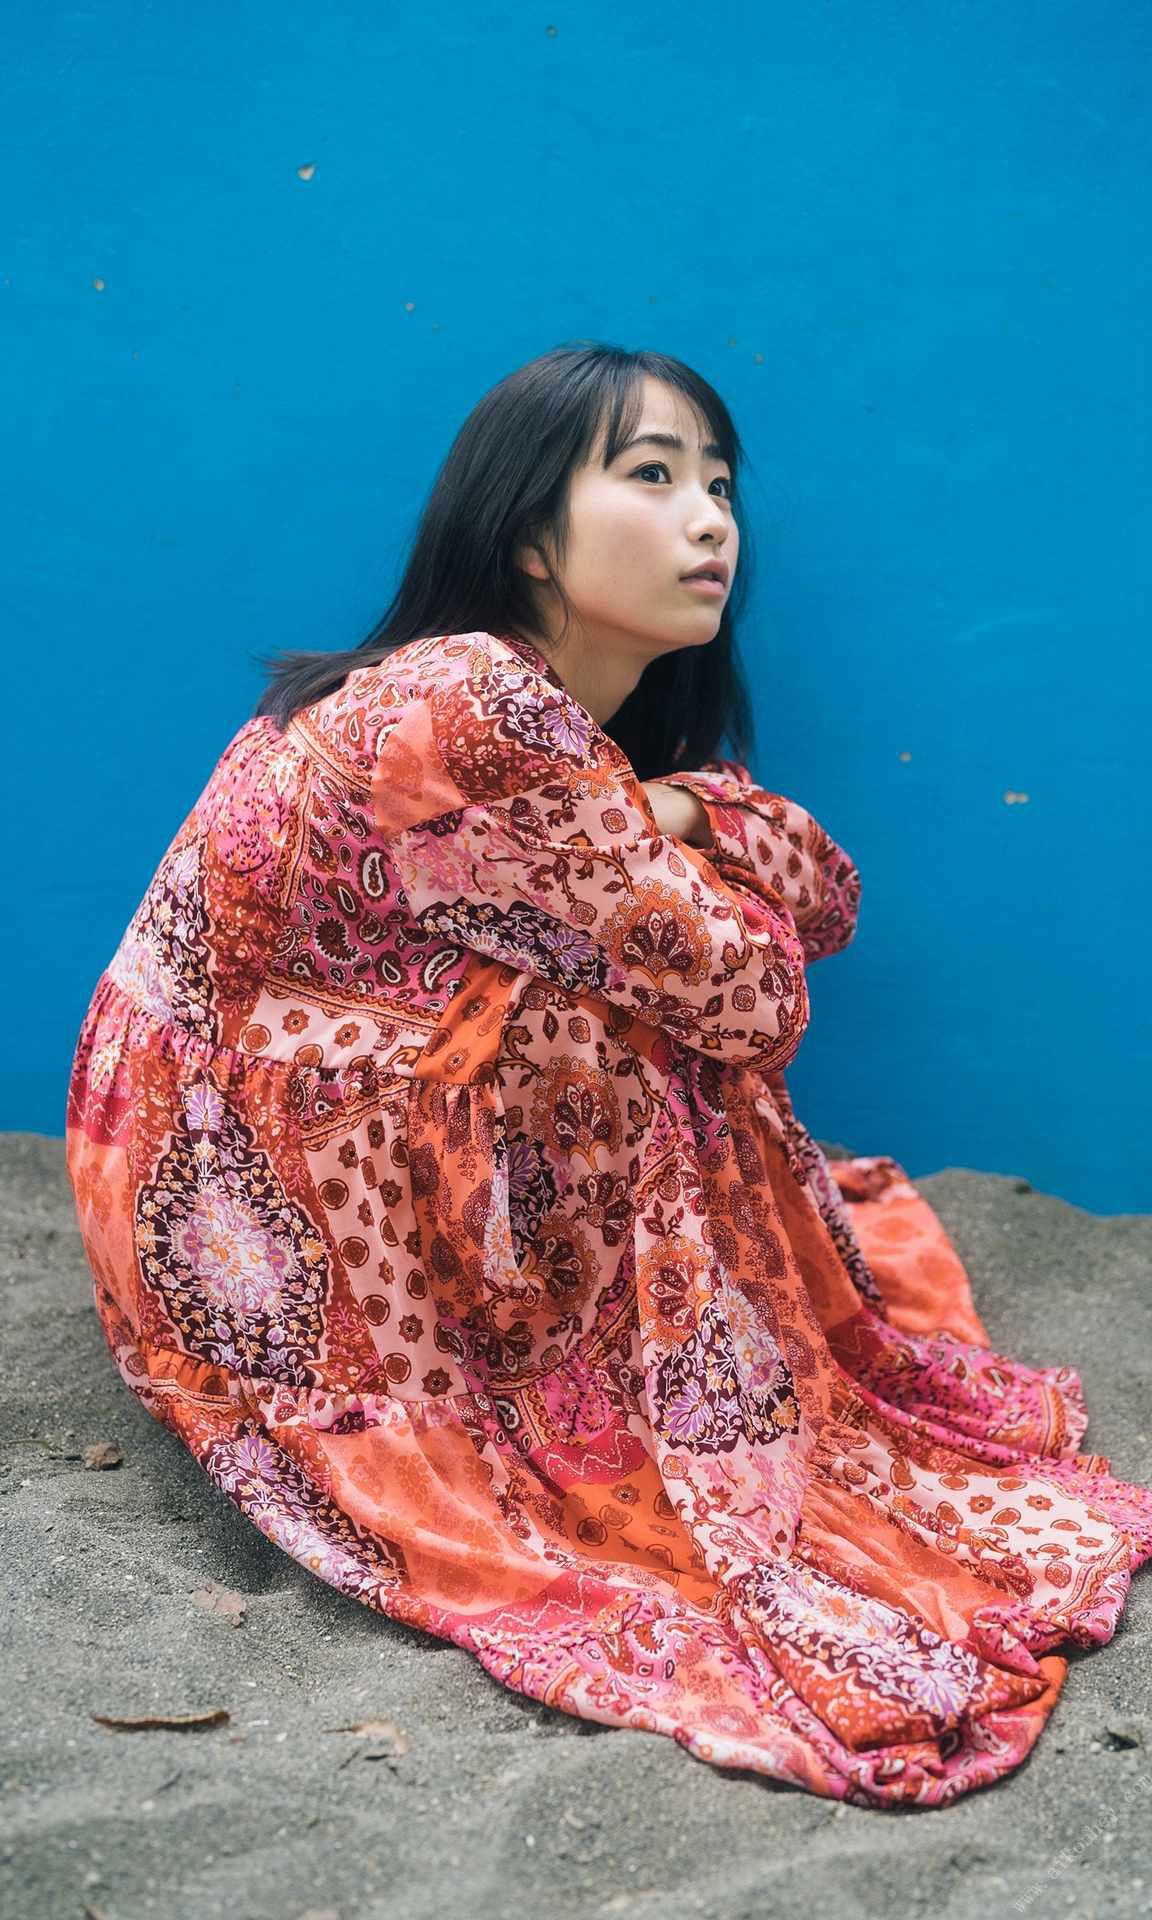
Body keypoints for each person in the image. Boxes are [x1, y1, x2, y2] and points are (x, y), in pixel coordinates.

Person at [66, 342, 1151, 1810]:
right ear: (527, 536)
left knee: (621, 1012)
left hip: (207, 1179)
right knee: (643, 1038)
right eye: (652, 475)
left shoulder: (530, 719)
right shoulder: (475, 705)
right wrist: (700, 829)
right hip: (247, 1215)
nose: (712, 521)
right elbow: (756, 995)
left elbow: (818, 903)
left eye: (721, 485)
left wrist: (682, 809)